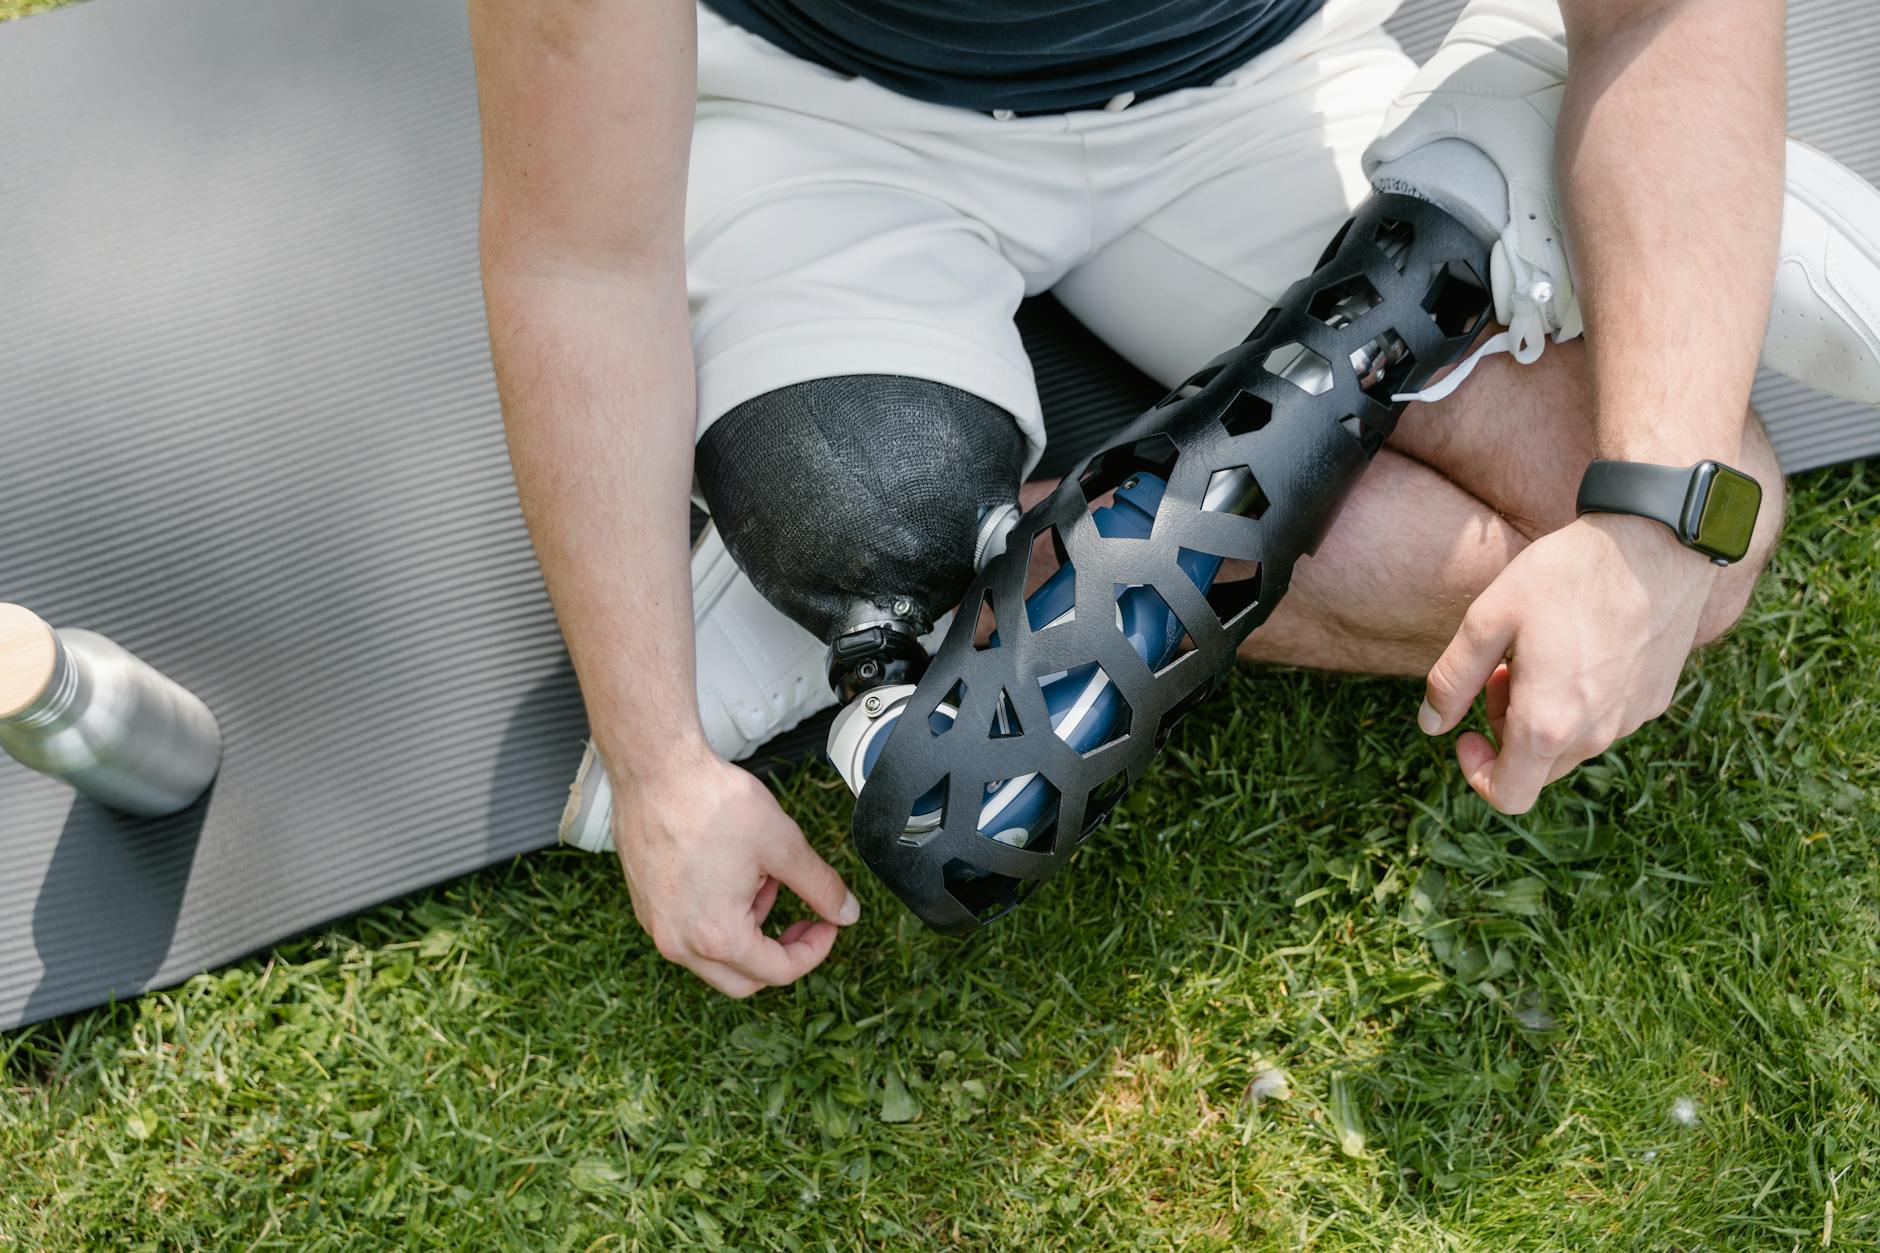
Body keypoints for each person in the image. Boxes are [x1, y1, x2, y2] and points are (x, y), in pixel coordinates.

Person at [467, 0, 1870, 996]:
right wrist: (656, 758)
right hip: (830, 118)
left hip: (1250, 80)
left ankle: (1043, 507)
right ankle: (1432, 234)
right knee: (861, 504)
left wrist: (1648, 521)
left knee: (1713, 523)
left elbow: (1664, 16)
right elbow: (578, 259)